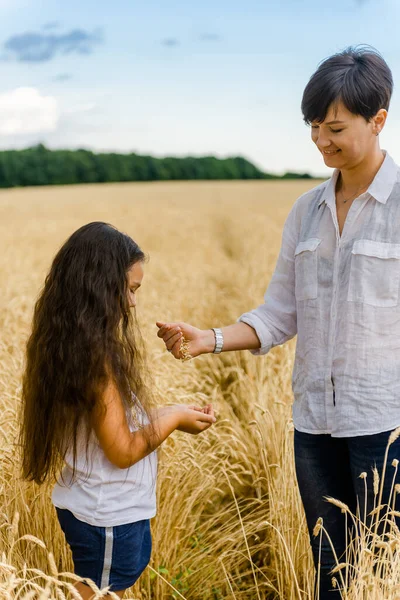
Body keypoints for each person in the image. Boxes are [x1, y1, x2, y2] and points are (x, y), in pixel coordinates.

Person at [156, 46, 400, 598]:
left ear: (378, 119)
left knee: (384, 580)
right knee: (331, 575)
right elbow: (279, 313)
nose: (320, 140)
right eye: (313, 126)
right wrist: (210, 339)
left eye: (333, 127)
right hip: (313, 426)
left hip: (387, 429)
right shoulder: (305, 211)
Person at [19, 222, 216, 600]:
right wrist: (173, 419)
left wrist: (174, 410)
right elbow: (122, 450)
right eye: (128, 289)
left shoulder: (74, 345)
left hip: (102, 509)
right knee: (97, 592)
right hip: (107, 514)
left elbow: (111, 428)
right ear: (98, 288)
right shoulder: (96, 362)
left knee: (107, 588)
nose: (132, 302)